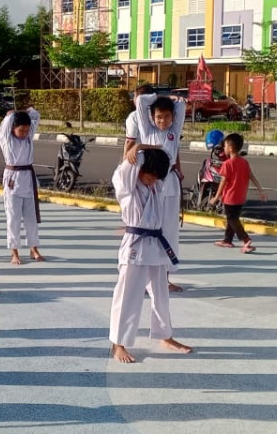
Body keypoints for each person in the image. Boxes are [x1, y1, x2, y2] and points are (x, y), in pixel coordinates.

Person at [108, 148, 192, 363]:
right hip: (136, 246)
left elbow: (166, 157)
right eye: (149, 175)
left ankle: (165, 336)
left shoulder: (155, 187)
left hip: (156, 245)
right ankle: (118, 343)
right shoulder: (127, 186)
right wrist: (138, 148)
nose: (152, 181)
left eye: (156, 178)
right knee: (128, 295)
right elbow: (128, 166)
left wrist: (153, 157)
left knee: (160, 293)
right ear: (139, 168)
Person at [125, 90, 187, 292]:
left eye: (167, 116)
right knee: (148, 231)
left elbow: (182, 105)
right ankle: (142, 281)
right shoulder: (147, 129)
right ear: (152, 117)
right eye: (159, 116)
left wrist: (172, 100)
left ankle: (163, 279)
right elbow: (141, 100)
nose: (163, 120)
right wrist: (161, 97)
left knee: (169, 231)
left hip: (169, 184)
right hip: (149, 184)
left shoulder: (173, 132)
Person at [0, 107, 44, 265]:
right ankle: (14, 252)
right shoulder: (6, 139)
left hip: (28, 179)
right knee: (13, 218)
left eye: (26, 130)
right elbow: (6, 123)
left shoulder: (29, 137)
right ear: (13, 128)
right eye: (21, 130)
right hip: (12, 179)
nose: (24, 133)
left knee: (31, 219)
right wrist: (12, 115)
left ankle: (34, 248)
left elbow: (35, 115)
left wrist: (23, 112)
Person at [209, 134, 267, 253]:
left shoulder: (227, 164)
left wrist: (215, 197)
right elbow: (252, 177)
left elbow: (223, 183)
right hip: (240, 198)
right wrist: (261, 190)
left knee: (232, 219)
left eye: (224, 146)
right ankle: (227, 240)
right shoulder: (244, 162)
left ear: (230, 148)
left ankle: (246, 239)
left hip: (230, 197)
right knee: (233, 218)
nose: (223, 148)